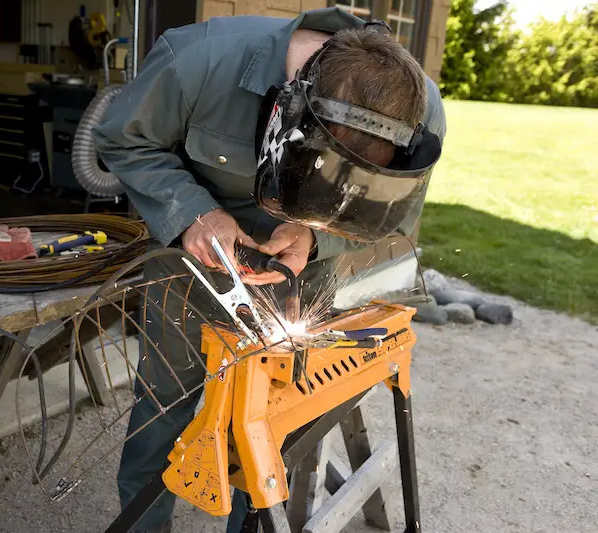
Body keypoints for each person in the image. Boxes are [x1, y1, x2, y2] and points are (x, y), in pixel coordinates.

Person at [92, 7, 446, 533]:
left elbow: (393, 216)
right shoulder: (197, 60)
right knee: (165, 406)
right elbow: (123, 140)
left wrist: (313, 235)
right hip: (194, 254)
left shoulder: (421, 110)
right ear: (290, 105)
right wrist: (194, 214)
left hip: (308, 267)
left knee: (272, 421)